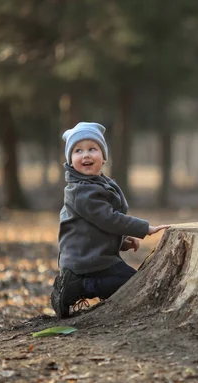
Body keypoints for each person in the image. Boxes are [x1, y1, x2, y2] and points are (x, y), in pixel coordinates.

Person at [51, 122, 169, 318]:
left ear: (104, 157)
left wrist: (121, 241)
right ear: (70, 161)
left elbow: (93, 229)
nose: (86, 154)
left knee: (131, 282)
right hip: (84, 263)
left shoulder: (100, 183)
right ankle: (78, 286)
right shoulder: (81, 191)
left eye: (92, 149)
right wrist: (143, 228)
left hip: (95, 256)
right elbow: (108, 219)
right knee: (131, 283)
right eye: (78, 151)